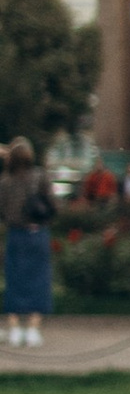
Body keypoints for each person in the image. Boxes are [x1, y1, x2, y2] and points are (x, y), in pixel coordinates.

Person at [2, 139, 56, 351]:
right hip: (37, 234)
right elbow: (53, 205)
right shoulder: (40, 177)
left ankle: (15, 329)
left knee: (14, 280)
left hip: (15, 235)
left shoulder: (5, 182)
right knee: (39, 281)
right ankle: (33, 329)